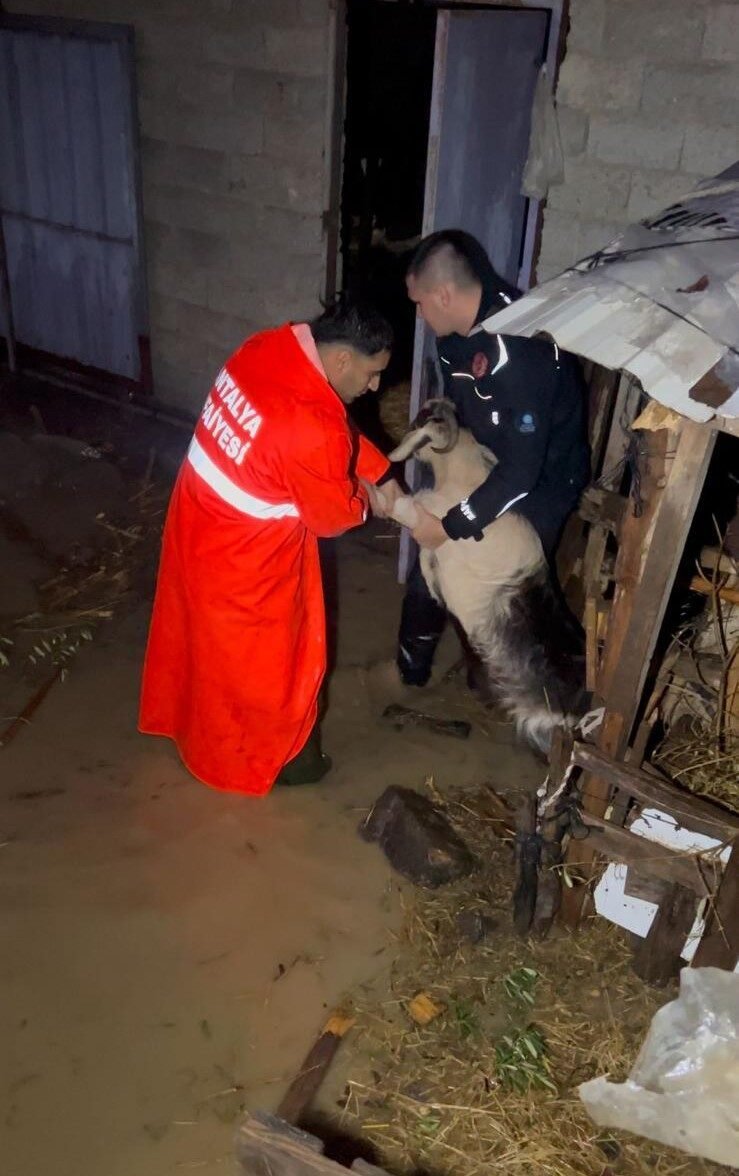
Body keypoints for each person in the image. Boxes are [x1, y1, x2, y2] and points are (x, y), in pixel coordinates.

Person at [139, 300, 401, 795]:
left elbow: (331, 434)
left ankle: (192, 730)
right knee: (273, 665)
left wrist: (379, 470)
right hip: (245, 558)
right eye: (372, 374)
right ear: (342, 360)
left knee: (201, 643)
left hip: (196, 519)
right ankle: (281, 763)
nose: (374, 387)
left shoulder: (266, 349)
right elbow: (330, 517)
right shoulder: (312, 424)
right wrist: (370, 500)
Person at [386, 229, 590, 688]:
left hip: (541, 480)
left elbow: (521, 474)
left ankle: (541, 695)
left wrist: (453, 524)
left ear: (443, 294)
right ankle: (409, 676)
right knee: (430, 563)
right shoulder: (452, 338)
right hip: (490, 460)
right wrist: (441, 427)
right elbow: (460, 407)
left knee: (512, 592)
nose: (418, 313)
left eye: (419, 302)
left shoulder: (522, 350)